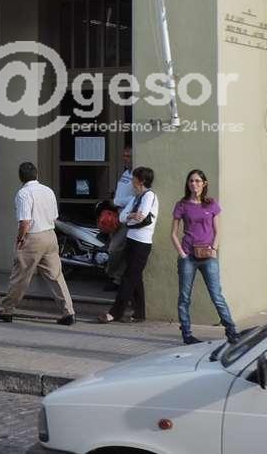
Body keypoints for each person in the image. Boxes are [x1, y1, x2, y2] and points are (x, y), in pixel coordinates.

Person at [0, 162, 75, 325]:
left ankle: (7, 310)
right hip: (50, 235)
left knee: (20, 276)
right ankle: (68, 312)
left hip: (33, 238)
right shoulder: (48, 191)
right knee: (56, 276)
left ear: (20, 177)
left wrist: (20, 239)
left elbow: (25, 221)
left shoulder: (23, 193)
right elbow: (54, 216)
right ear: (37, 174)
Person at [171, 169, 239, 346]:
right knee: (184, 297)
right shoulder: (182, 204)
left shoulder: (211, 204)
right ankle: (187, 334)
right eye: (191, 181)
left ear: (204, 184)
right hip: (188, 256)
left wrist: (214, 248)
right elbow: (173, 233)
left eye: (198, 181)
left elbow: (218, 231)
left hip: (208, 256)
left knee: (217, 296)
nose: (194, 184)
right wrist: (182, 253)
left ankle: (231, 331)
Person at [98, 166, 158, 324]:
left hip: (142, 243)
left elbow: (141, 217)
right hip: (131, 240)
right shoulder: (136, 198)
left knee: (128, 278)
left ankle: (115, 313)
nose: (132, 181)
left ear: (141, 181)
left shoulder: (149, 196)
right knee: (136, 278)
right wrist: (131, 216)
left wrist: (131, 217)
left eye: (134, 178)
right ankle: (139, 313)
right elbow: (122, 218)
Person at [103, 143, 134, 291]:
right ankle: (117, 280)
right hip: (117, 214)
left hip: (127, 216)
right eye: (124, 156)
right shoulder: (126, 173)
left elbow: (135, 198)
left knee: (114, 249)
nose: (125, 158)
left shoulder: (136, 175)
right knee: (120, 249)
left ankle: (109, 273)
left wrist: (116, 201)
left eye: (128, 156)